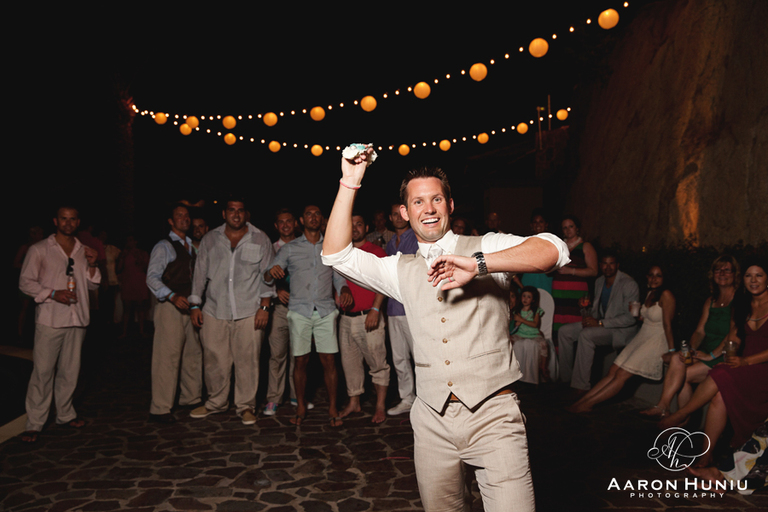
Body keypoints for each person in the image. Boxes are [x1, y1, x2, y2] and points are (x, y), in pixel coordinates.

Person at [322, 149, 569, 512]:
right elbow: (336, 255)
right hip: (432, 421)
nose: (429, 208)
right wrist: (350, 181)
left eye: (436, 199)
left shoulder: (485, 246)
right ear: (405, 213)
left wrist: (481, 264)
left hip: (494, 415)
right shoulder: (398, 269)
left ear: (450, 205)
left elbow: (554, 249)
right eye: (418, 201)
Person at [660, 259, 768, 467]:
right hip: (745, 364)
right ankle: (705, 458)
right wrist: (720, 356)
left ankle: (681, 415)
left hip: (761, 366)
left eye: (759, 275)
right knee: (719, 394)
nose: (753, 280)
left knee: (719, 374)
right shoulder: (743, 303)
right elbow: (734, 337)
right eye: (748, 276)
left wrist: (745, 361)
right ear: (743, 279)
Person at [188, 198, 274, 425]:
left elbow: (267, 276)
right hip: (214, 309)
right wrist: (195, 305)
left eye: (240, 211)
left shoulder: (260, 238)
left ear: (246, 214)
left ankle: (246, 406)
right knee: (214, 360)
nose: (236, 215)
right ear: (224, 214)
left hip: (249, 310)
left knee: (248, 360)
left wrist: (264, 307)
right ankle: (216, 402)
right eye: (231, 210)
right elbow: (199, 274)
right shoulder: (210, 239)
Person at [19, 206, 101, 444]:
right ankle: (35, 423)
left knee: (70, 371)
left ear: (78, 222)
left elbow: (93, 286)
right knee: (42, 372)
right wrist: (52, 293)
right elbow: (25, 283)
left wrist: (94, 265)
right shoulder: (39, 249)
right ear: (56, 221)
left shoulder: (82, 251)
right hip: (50, 319)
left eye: (72, 219)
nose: (68, 223)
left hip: (78, 318)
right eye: (63, 219)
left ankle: (65, 414)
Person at [267, 205, 353, 427]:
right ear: (301, 221)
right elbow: (269, 273)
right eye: (308, 214)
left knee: (329, 361)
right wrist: (272, 273)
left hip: (325, 310)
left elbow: (338, 277)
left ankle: (333, 407)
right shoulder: (290, 248)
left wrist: (343, 289)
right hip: (299, 310)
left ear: (322, 220)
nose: (313, 218)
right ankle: (301, 405)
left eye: (317, 214)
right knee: (300, 361)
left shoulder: (331, 246)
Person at [641, 255, 740, 418]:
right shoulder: (711, 300)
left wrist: (711, 355)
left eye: (727, 270)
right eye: (718, 269)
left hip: (723, 354)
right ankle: (663, 406)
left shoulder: (738, 299)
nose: (722, 273)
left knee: (684, 375)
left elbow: (732, 334)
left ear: (735, 274)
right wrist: (691, 351)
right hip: (706, 352)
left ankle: (681, 419)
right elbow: (700, 331)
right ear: (713, 274)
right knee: (676, 359)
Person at [567, 265, 675, 413]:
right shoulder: (651, 293)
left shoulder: (667, 295)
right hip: (643, 336)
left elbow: (668, 325)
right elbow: (650, 319)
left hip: (655, 340)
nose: (654, 278)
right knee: (613, 370)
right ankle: (583, 401)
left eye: (658, 275)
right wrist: (638, 315)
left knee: (621, 375)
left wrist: (671, 350)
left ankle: (586, 405)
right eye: (651, 275)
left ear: (664, 278)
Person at [145, 204, 203, 423]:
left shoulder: (191, 246)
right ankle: (160, 407)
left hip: (191, 307)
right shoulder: (164, 246)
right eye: (179, 216)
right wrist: (171, 296)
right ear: (171, 221)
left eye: (187, 216)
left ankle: (191, 398)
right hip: (170, 307)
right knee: (167, 357)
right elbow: (152, 277)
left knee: (193, 354)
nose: (184, 219)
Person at [557, 250, 639, 391]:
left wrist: (600, 323)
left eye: (611, 264)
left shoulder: (629, 284)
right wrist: (584, 309)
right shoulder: (599, 281)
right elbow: (596, 312)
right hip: (601, 325)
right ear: (600, 265)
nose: (608, 267)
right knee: (565, 331)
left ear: (617, 265)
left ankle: (580, 386)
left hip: (620, 331)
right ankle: (566, 379)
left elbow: (631, 318)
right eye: (605, 264)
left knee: (586, 335)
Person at [338, 213, 390, 423]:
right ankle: (354, 402)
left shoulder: (376, 252)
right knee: (350, 364)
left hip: (368, 316)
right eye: (350, 225)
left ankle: (379, 406)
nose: (355, 228)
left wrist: (375, 310)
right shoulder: (343, 253)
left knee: (377, 363)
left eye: (359, 224)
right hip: (346, 318)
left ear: (366, 227)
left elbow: (385, 282)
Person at [263, 208, 303, 416]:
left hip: (300, 309)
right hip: (279, 308)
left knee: (299, 355)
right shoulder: (270, 248)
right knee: (277, 355)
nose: (286, 225)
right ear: (276, 226)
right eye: (281, 222)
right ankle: (274, 398)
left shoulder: (304, 246)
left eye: (289, 221)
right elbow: (262, 277)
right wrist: (276, 290)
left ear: (295, 223)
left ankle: (297, 396)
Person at [385, 202, 419, 416]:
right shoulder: (390, 243)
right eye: (394, 214)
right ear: (390, 218)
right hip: (393, 307)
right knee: (399, 357)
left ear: (407, 215)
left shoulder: (416, 238)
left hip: (413, 307)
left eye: (401, 214)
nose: (398, 217)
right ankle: (407, 398)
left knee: (419, 355)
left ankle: (427, 399)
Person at [551, 214, 598, 336]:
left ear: (577, 228)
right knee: (559, 324)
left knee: (577, 324)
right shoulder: (559, 246)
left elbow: (593, 271)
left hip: (577, 293)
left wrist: (571, 271)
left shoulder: (585, 246)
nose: (568, 230)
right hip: (559, 292)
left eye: (571, 226)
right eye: (565, 227)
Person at [510, 286, 549, 384]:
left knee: (543, 344)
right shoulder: (517, 310)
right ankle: (510, 366)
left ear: (533, 300)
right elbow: (514, 325)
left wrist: (521, 320)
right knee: (510, 341)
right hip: (520, 334)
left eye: (528, 297)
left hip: (533, 334)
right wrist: (517, 323)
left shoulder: (536, 311)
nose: (525, 299)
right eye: (524, 296)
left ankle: (543, 366)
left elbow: (535, 324)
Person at [513, 209, 554, 294]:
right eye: (535, 222)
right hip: (527, 283)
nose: (538, 224)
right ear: (531, 225)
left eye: (541, 221)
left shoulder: (552, 243)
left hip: (545, 283)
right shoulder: (525, 242)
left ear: (546, 224)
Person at [116, 234, 150, 338]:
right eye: (128, 240)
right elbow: (118, 269)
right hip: (128, 282)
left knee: (140, 307)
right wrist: (122, 257)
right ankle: (124, 332)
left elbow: (147, 268)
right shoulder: (124, 254)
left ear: (135, 242)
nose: (129, 242)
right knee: (127, 308)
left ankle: (141, 330)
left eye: (131, 240)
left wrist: (138, 257)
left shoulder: (142, 253)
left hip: (139, 281)